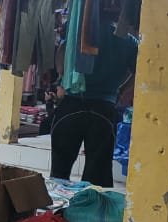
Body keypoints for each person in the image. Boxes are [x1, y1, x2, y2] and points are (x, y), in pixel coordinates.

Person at [50, 22, 138, 188]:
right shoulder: (129, 40)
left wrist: (62, 78)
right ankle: (89, 203)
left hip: (72, 102)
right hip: (104, 107)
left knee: (59, 171)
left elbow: (61, 58)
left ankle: (57, 204)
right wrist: (121, 90)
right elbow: (138, 70)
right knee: (97, 176)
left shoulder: (78, 27)